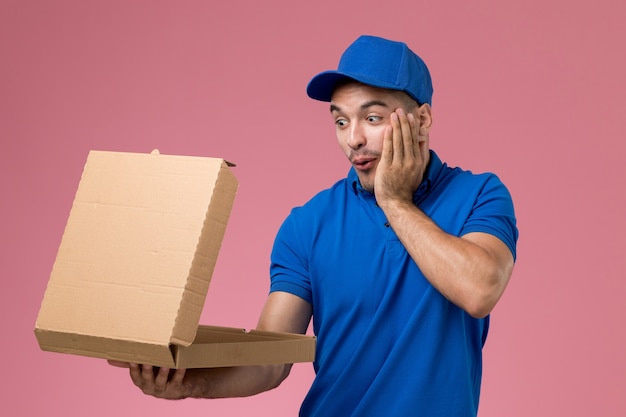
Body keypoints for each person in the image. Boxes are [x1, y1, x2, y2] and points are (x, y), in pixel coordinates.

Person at [110, 35, 518, 416]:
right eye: (340, 122)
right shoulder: (307, 224)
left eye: (372, 117)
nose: (353, 139)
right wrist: (188, 385)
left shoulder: (480, 195)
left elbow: (479, 289)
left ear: (423, 119)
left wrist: (394, 201)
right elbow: (271, 362)